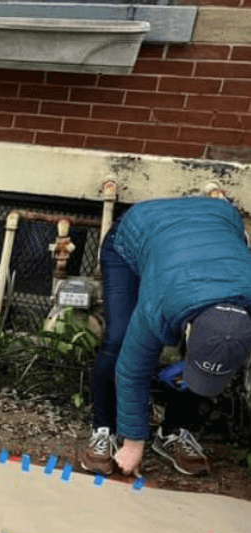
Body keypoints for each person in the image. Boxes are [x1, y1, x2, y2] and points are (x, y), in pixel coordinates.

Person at [78, 196, 251, 477]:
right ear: (188, 328)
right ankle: (104, 429)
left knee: (212, 350)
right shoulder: (163, 302)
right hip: (135, 235)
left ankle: (172, 432)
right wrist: (134, 444)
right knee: (120, 340)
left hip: (213, 223)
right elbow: (132, 369)